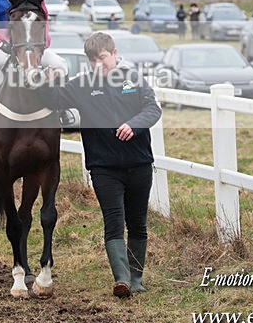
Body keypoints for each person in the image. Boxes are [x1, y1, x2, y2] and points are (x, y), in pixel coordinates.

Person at [30, 32, 162, 298]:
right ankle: (122, 280)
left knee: (137, 222)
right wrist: (44, 84)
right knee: (113, 220)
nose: (97, 65)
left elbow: (153, 109)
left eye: (102, 58)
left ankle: (136, 279)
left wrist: (133, 126)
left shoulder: (133, 79)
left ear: (114, 54)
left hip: (139, 163)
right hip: (104, 167)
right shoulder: (82, 85)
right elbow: (53, 99)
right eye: (92, 60)